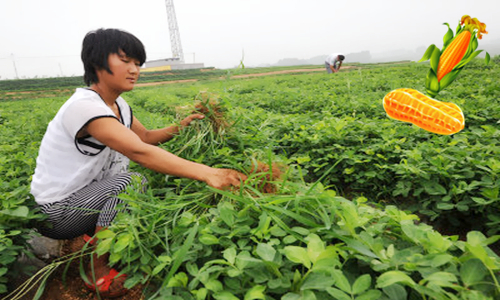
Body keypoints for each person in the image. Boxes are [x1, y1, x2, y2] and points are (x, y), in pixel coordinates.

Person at [30, 28, 247, 298]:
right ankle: (99, 265)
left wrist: (182, 126)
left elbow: (144, 138)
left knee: (132, 188)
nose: (134, 69)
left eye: (137, 63)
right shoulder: (84, 107)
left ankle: (95, 234)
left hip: (81, 201)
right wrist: (209, 173)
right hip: (55, 213)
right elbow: (139, 151)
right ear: (98, 62)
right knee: (132, 182)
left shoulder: (118, 105)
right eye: (125, 60)